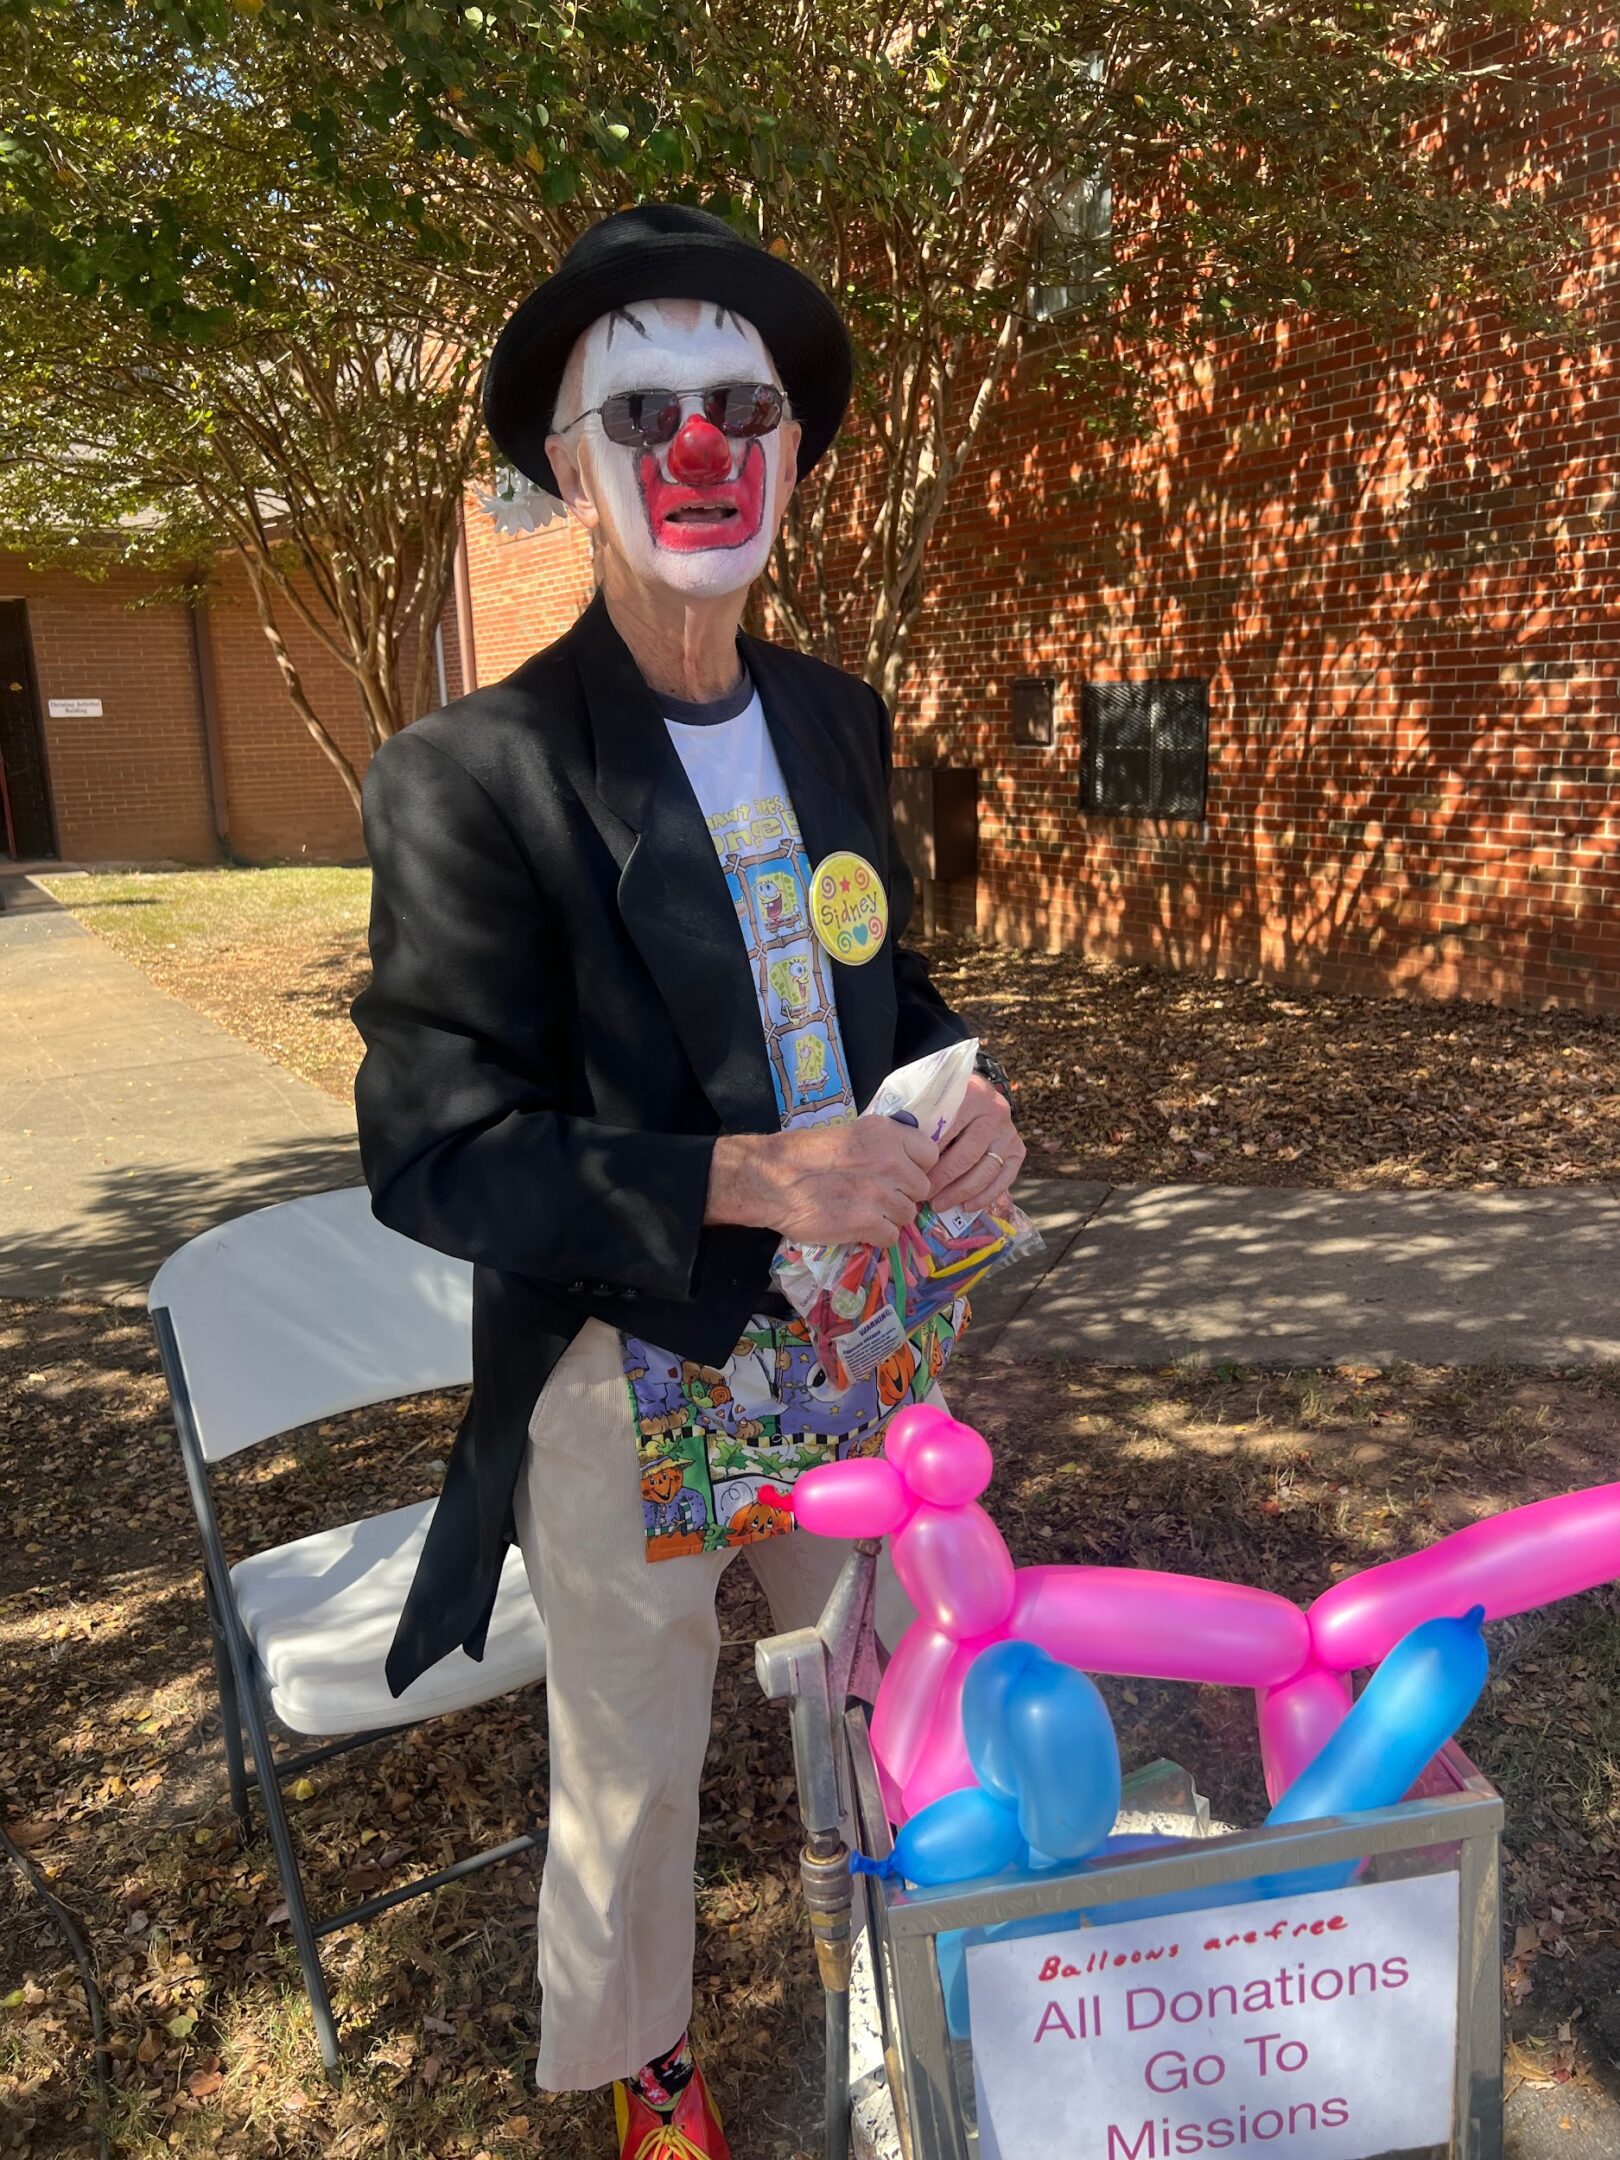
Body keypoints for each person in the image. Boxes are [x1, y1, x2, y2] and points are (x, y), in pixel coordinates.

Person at [351, 200, 1025, 2160]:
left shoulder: (832, 717)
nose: (701, 447)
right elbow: (434, 1151)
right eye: (645, 415)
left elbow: (878, 976)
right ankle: (655, 2079)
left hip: (856, 1338)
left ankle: (923, 2006)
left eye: (742, 406)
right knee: (634, 1773)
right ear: (567, 468)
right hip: (623, 1365)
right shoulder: (466, 777)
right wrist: (748, 1178)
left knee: (898, 1688)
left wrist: (960, 1097)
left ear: (793, 457)